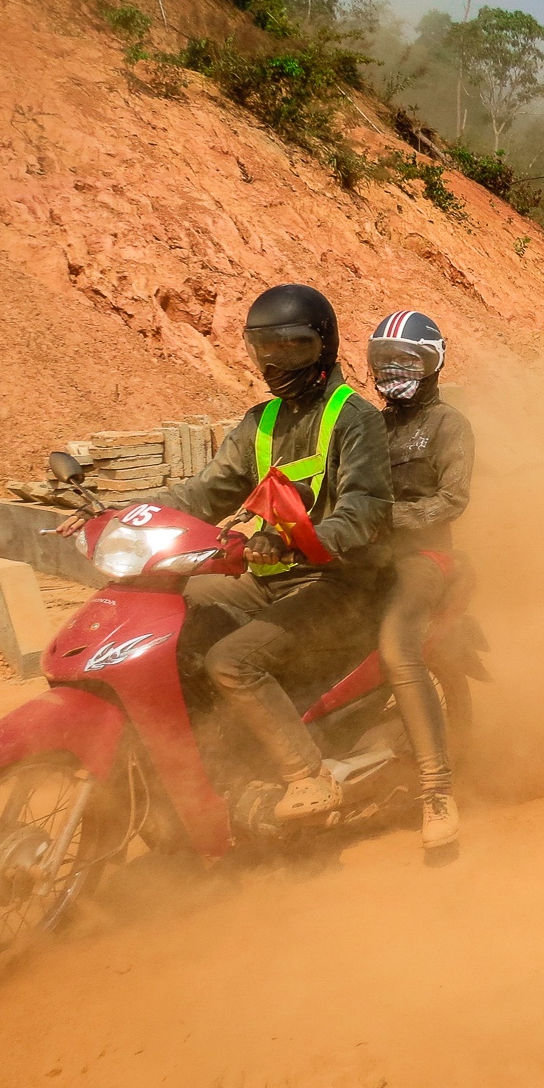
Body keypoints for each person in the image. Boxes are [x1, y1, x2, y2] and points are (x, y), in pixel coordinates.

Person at [155, 284, 392, 822]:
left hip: (338, 584)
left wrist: (291, 539)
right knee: (177, 615)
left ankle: (306, 776)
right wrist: (125, 510)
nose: (276, 361)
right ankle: (214, 751)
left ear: (324, 346)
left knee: (231, 661)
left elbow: (364, 511)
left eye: (292, 346)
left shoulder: (356, 419)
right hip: (269, 577)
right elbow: (204, 492)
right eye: (265, 347)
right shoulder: (259, 422)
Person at [367, 310, 475, 851]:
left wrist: (387, 519)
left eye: (405, 361)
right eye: (384, 361)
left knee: (396, 645)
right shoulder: (371, 425)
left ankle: (436, 791)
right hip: (365, 554)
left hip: (425, 557)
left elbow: (452, 499)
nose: (393, 371)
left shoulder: (449, 425)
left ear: (432, 364)